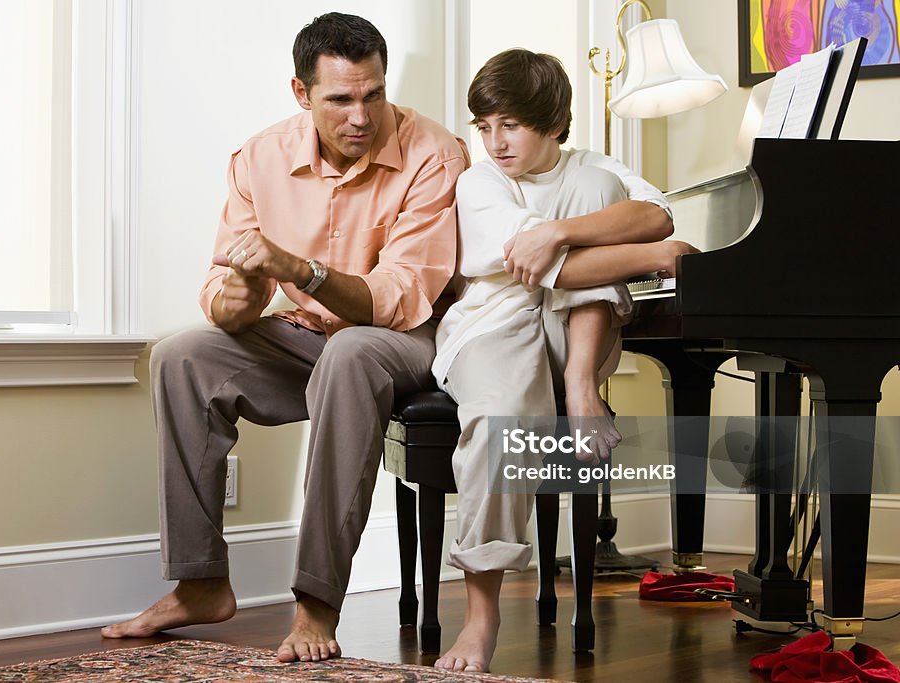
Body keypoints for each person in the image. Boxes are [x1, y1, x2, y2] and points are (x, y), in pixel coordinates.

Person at [101, 13, 469, 664]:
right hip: (305, 339)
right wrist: (235, 304)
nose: (361, 115)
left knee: (352, 351)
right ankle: (200, 581)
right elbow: (223, 281)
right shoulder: (259, 157)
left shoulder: (434, 154)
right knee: (181, 355)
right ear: (302, 94)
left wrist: (300, 269)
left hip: (405, 340)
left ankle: (316, 603)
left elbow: (397, 297)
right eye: (341, 99)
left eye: (374, 94)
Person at [431, 48, 695, 673]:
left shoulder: (593, 170)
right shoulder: (479, 182)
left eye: (511, 125)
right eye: (484, 126)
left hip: (572, 332)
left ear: (553, 123)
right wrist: (651, 255)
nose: (494, 142)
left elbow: (655, 214)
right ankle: (481, 615)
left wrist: (559, 229)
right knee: (502, 418)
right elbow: (586, 263)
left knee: (596, 191)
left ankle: (579, 387)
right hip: (495, 327)